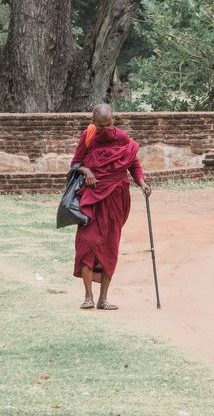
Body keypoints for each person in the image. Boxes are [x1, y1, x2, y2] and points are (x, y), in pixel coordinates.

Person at [70, 103, 151, 310]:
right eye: (101, 126)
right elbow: (76, 164)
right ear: (93, 122)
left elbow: (133, 163)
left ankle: (103, 298)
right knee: (86, 244)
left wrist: (142, 183)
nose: (106, 130)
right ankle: (88, 296)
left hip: (116, 198)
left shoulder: (122, 137)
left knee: (109, 246)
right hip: (92, 199)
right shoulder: (87, 137)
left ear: (113, 120)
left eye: (109, 125)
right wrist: (86, 171)